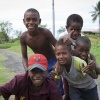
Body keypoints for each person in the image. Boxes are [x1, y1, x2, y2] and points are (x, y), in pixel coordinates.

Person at [20, 8, 57, 74]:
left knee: (54, 81)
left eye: (34, 19)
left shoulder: (45, 32)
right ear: (24, 21)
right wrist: (27, 71)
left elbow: (58, 47)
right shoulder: (23, 37)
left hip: (52, 60)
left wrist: (58, 63)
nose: (31, 22)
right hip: (39, 62)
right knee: (39, 82)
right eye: (28, 19)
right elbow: (24, 57)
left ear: (39, 21)